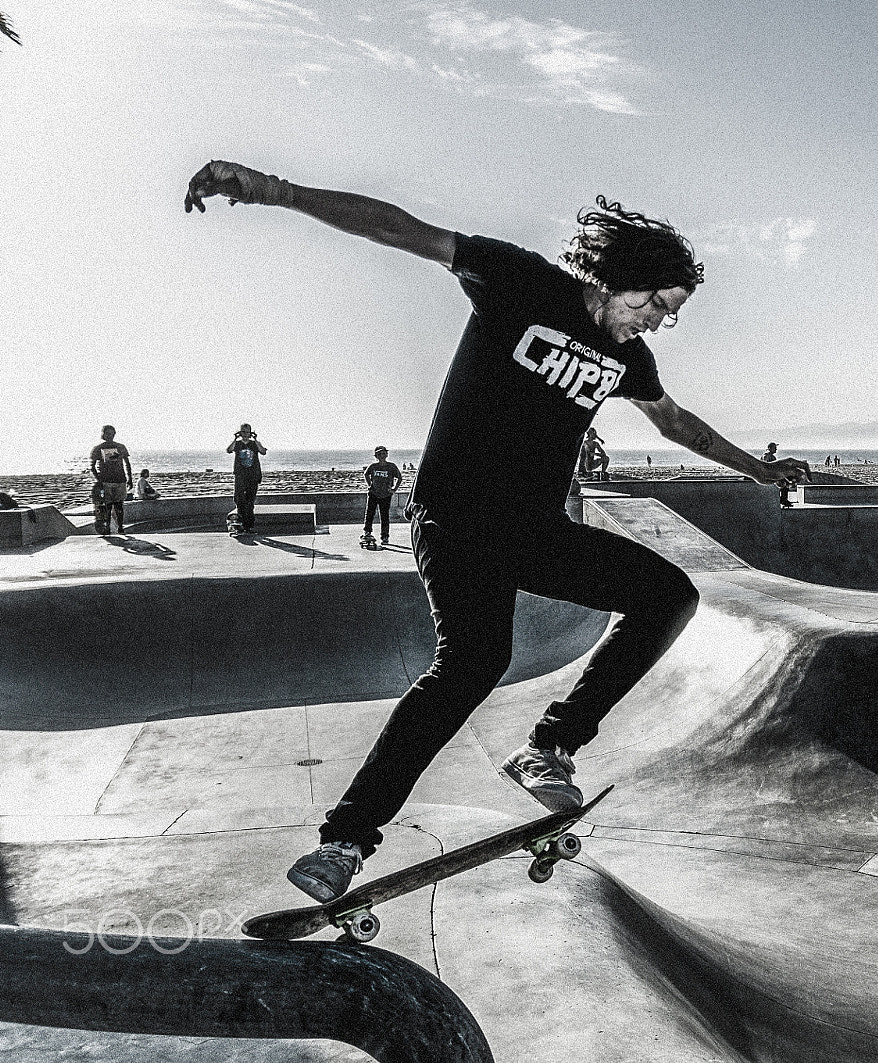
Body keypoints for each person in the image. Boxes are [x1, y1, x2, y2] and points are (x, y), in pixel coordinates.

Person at [184, 159, 808, 903]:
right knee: (475, 659)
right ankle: (346, 839)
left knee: (667, 593)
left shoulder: (627, 357)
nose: (656, 320)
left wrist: (755, 468)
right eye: (655, 301)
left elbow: (675, 423)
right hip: (455, 519)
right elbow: (400, 230)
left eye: (669, 313)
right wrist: (277, 191)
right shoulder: (520, 281)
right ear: (620, 275)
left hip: (535, 528)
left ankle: (548, 746)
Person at [88, 425, 133, 535]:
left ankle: (120, 527)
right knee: (107, 506)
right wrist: (99, 479)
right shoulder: (98, 448)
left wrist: (130, 479)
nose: (110, 436)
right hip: (106, 481)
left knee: (119, 505)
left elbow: (127, 464)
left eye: (112, 434)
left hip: (120, 480)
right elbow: (92, 466)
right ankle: (107, 527)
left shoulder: (120, 447)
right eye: (107, 433)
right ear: (103, 434)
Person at [226, 423, 267, 533]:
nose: (245, 434)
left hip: (253, 475)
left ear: (250, 433)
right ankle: (240, 524)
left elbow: (263, 451)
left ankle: (249, 525)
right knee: (239, 499)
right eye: (243, 432)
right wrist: (235, 438)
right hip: (240, 475)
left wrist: (256, 439)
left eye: (247, 432)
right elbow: (229, 450)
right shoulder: (238, 444)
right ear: (240, 432)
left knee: (250, 500)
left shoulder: (254, 444)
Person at [363, 447, 404, 544]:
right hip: (373, 494)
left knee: (384, 515)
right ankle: (367, 532)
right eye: (380, 454)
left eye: (384, 453)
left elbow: (399, 478)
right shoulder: (373, 466)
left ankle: (385, 536)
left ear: (386, 455)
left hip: (386, 495)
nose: (382, 456)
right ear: (376, 456)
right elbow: (366, 474)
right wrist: (369, 485)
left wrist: (394, 490)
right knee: (370, 513)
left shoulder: (391, 466)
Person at [760, 442, 793, 507]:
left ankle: (784, 499)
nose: (776, 449)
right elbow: (766, 467)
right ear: (770, 448)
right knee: (785, 482)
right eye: (774, 448)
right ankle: (783, 500)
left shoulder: (772, 457)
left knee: (788, 479)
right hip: (768, 476)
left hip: (772, 475)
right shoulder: (766, 456)